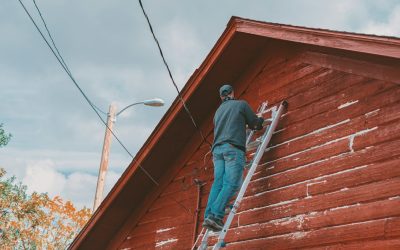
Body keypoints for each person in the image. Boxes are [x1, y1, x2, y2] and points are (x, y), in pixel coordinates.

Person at [203, 84, 264, 231]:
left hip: (217, 151)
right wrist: (260, 121)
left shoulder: (217, 112)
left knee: (218, 183)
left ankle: (208, 215)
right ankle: (215, 216)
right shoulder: (240, 105)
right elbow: (255, 124)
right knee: (232, 184)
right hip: (232, 148)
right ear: (232, 93)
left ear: (221, 96)